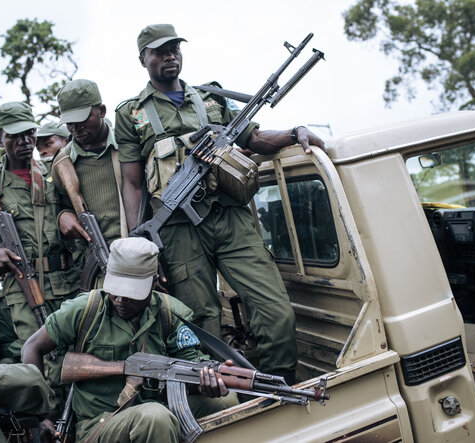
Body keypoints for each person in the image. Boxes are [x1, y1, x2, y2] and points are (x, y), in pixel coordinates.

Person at [115, 24, 326, 382]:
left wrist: (294, 133)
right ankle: (223, 399)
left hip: (230, 218)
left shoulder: (211, 98)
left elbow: (254, 137)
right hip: (178, 232)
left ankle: (279, 385)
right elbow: (133, 184)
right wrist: (142, 240)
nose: (170, 56)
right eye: (159, 51)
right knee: (200, 322)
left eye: (174, 49)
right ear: (143, 59)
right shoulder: (131, 114)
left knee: (275, 310)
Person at [23, 237, 238, 443]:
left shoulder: (171, 314)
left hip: (158, 411)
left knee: (226, 401)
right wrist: (42, 414)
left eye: (131, 293)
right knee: (155, 417)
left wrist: (204, 385)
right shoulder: (85, 310)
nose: (120, 300)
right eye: (116, 290)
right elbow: (32, 347)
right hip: (100, 423)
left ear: (153, 283)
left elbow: (190, 371)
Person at [0, 102, 83, 408]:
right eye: (15, 136)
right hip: (20, 283)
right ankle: (46, 419)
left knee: (75, 351)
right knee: (35, 355)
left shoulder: (54, 173)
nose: (25, 142)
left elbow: (74, 207)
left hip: (66, 278)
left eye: (29, 134)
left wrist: (65, 213)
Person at [53, 79, 128, 287]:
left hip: (137, 250)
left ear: (102, 111)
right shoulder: (62, 163)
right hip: (97, 263)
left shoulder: (128, 144)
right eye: (70, 123)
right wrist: (62, 216)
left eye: (83, 120)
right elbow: (57, 205)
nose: (76, 129)